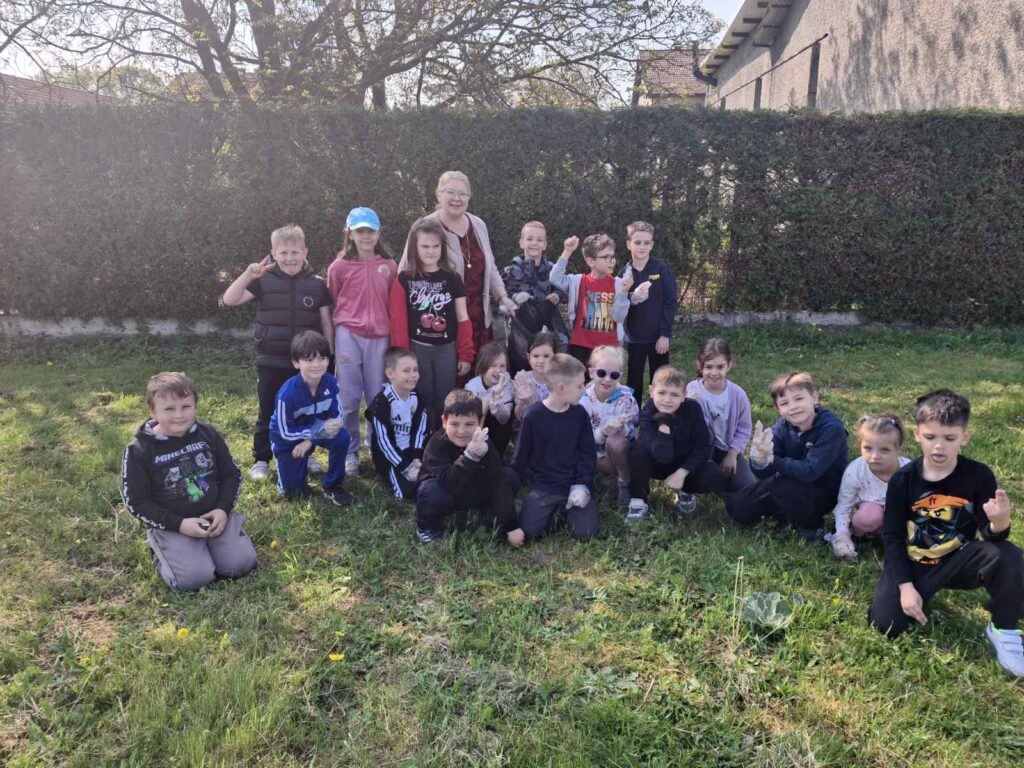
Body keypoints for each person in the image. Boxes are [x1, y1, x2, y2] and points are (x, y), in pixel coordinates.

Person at [868, 390, 1023, 677]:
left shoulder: (979, 476)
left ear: (965, 436)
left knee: (1010, 556)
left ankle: (1004, 628)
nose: (939, 446)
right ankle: (919, 592)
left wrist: (999, 523)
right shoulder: (903, 479)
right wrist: (905, 587)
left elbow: (990, 536)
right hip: (914, 563)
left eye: (949, 438)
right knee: (886, 625)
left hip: (956, 560)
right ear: (917, 434)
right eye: (930, 437)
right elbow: (891, 536)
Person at [121, 372, 257, 591]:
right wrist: (179, 524)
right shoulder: (139, 450)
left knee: (241, 565)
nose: (179, 415)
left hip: (215, 518)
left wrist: (223, 509)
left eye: (186, 407)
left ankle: (222, 537)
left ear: (195, 407)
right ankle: (161, 548)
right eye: (169, 409)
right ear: (152, 411)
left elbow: (231, 475)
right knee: (194, 579)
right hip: (174, 524)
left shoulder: (209, 434)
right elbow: (136, 502)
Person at [222, 224, 333, 482]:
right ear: (273, 253)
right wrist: (248, 275)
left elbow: (326, 322)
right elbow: (229, 299)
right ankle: (261, 458)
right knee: (268, 410)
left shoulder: (317, 285)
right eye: (283, 253)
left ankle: (307, 454)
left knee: (305, 411)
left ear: (305, 252)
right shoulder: (263, 281)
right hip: (270, 359)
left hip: (306, 365)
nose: (289, 258)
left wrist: (328, 357)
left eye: (295, 252)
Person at [399, 171, 518, 369]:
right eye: (450, 192)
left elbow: (490, 268)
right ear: (439, 195)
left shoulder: (479, 225)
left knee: (481, 379)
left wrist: (503, 297)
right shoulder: (425, 227)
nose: (457, 198)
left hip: (479, 322)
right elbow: (405, 273)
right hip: (443, 326)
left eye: (463, 193)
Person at [725, 371, 847, 541]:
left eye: (799, 399)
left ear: (814, 398)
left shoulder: (831, 428)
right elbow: (763, 473)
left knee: (782, 486)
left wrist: (772, 460)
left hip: (823, 490)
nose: (793, 406)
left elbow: (810, 471)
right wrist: (759, 459)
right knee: (737, 506)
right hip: (786, 482)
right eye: (785, 403)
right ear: (778, 409)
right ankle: (785, 514)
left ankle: (812, 528)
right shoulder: (783, 426)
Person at [326, 207, 398, 476]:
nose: (366, 236)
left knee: (377, 396)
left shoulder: (389, 265)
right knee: (348, 397)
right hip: (348, 336)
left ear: (378, 233)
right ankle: (350, 451)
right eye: (360, 231)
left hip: (380, 337)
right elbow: (334, 300)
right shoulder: (339, 267)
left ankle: (377, 446)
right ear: (350, 233)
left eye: (370, 231)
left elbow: (393, 302)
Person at [389, 217, 474, 431]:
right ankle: (423, 441)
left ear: (442, 248)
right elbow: (398, 322)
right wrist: (402, 358)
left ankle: (444, 439)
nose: (430, 251)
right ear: (414, 247)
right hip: (418, 350)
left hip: (446, 349)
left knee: (445, 399)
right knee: (422, 399)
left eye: (435, 246)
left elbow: (462, 316)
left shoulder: (453, 278)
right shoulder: (404, 279)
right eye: (425, 246)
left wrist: (465, 353)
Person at [415, 390, 525, 547]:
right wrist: (470, 457)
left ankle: (485, 514)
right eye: (454, 424)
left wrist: (512, 526)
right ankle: (427, 528)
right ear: (444, 421)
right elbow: (449, 481)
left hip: (473, 490)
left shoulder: (485, 443)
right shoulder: (437, 444)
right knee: (430, 490)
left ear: (481, 422)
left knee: (509, 476)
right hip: (447, 493)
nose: (461, 431)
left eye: (469, 424)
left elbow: (499, 481)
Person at [511, 353, 599, 541]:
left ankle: (564, 511)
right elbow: (519, 457)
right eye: (579, 386)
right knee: (530, 532)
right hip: (544, 486)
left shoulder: (580, 414)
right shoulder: (533, 416)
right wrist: (509, 491)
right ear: (561, 388)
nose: (583, 390)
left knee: (586, 534)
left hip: (574, 485)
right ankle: (548, 511)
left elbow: (588, 454)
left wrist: (582, 485)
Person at [625, 364, 728, 522]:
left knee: (714, 475)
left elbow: (704, 446)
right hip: (656, 462)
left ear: (684, 396)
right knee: (638, 449)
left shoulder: (693, 409)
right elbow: (663, 455)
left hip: (683, 461)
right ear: (651, 391)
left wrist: (683, 472)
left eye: (674, 394)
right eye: (662, 393)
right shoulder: (647, 411)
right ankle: (639, 499)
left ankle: (686, 491)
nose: (667, 400)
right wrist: (664, 423)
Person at [269, 331, 353, 506]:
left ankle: (333, 485)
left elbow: (337, 417)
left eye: (322, 358)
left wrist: (310, 440)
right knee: (293, 493)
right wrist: (315, 434)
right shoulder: (287, 394)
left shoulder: (331, 383)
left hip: (315, 430)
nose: (316, 364)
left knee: (342, 437)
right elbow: (285, 432)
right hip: (288, 438)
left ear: (328, 360)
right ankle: (284, 459)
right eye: (309, 360)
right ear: (296, 363)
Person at [828, 414, 910, 561]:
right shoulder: (855, 471)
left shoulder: (910, 472)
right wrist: (842, 534)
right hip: (871, 514)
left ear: (899, 448)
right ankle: (867, 535)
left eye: (884, 450)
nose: (875, 456)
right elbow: (844, 506)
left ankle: (896, 538)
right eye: (868, 448)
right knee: (868, 516)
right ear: (860, 445)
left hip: (900, 516)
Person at [548, 233, 632, 368]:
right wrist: (567, 251)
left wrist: (623, 293)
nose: (612, 261)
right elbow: (554, 278)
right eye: (606, 257)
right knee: (580, 380)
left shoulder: (618, 284)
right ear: (590, 261)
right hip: (580, 346)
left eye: (613, 256)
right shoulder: (578, 281)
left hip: (608, 349)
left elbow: (619, 317)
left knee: (605, 380)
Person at [684, 338, 756, 495]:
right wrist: (687, 404)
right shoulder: (692, 390)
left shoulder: (738, 394)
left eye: (720, 367)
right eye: (709, 367)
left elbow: (744, 428)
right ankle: (693, 486)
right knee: (710, 478)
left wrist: (732, 454)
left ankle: (723, 477)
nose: (714, 373)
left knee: (748, 487)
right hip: (701, 449)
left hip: (726, 448)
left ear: (729, 365)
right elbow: (684, 425)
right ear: (699, 365)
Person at [619, 221, 678, 395]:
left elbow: (670, 301)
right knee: (634, 381)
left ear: (652, 245)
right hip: (635, 337)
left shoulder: (660, 268)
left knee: (661, 381)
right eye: (637, 242)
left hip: (658, 337)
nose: (642, 247)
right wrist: (632, 297)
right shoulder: (624, 272)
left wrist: (665, 334)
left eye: (646, 243)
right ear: (629, 244)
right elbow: (618, 302)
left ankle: (660, 411)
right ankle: (633, 411)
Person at [580, 345, 639, 509]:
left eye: (614, 375)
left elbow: (634, 434)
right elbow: (580, 436)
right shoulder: (583, 400)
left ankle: (624, 482)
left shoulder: (626, 399)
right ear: (591, 372)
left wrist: (621, 429)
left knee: (616, 441)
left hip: (616, 455)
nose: (607, 379)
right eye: (601, 373)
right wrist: (601, 432)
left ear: (620, 375)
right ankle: (581, 483)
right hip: (589, 454)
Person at [367, 347, 430, 501]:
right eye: (406, 371)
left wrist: (416, 457)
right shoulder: (382, 403)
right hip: (391, 456)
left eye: (415, 370)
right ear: (390, 374)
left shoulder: (417, 399)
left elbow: (420, 430)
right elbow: (383, 442)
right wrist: (405, 467)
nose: (413, 375)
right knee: (407, 493)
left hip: (412, 451)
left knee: (430, 478)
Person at [502, 220, 570, 349]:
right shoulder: (512, 271)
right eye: (530, 239)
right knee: (521, 359)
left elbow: (560, 288)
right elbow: (503, 295)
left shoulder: (552, 269)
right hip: (521, 329)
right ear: (521, 243)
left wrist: (557, 295)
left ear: (545, 245)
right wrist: (515, 297)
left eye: (539, 240)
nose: (534, 243)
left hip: (550, 327)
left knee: (561, 352)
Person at [465, 341, 515, 456]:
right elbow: (474, 418)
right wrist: (490, 395)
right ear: (483, 366)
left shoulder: (508, 385)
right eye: (493, 365)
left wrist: (497, 403)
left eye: (502, 366)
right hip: (478, 425)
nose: (498, 370)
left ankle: (496, 456)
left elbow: (504, 419)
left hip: (498, 428)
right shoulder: (472, 385)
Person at [512, 331, 557, 421]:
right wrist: (522, 402)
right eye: (536, 356)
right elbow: (518, 414)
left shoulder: (559, 380)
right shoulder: (523, 379)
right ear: (528, 357)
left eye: (546, 356)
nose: (541, 361)